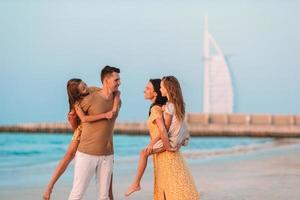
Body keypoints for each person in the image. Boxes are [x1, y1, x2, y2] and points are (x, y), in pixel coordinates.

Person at [43, 78, 120, 200]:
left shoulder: (93, 90)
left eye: (85, 84)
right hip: (81, 130)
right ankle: (49, 186)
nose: (86, 88)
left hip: (95, 132)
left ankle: (110, 196)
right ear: (78, 93)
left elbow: (115, 92)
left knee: (107, 177)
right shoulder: (77, 103)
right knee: (68, 156)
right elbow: (78, 121)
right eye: (83, 88)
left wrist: (114, 108)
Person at [125, 76, 190, 197]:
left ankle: (136, 183)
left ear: (155, 93)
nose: (144, 90)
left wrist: (164, 146)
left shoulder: (156, 109)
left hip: (167, 147)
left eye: (147, 88)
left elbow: (163, 130)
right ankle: (136, 183)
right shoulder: (173, 105)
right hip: (171, 144)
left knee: (143, 153)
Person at [68, 66, 121, 200]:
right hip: (86, 154)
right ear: (106, 80)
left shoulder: (117, 99)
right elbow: (74, 117)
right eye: (116, 80)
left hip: (107, 155)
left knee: (104, 196)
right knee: (77, 194)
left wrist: (116, 99)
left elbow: (114, 111)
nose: (119, 82)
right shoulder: (88, 98)